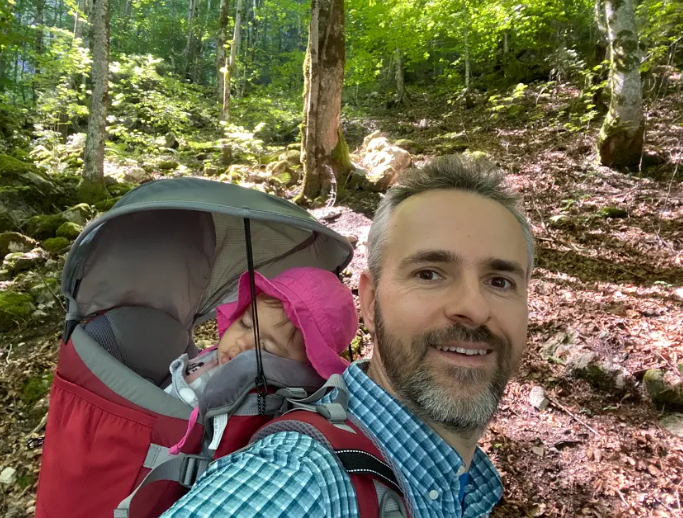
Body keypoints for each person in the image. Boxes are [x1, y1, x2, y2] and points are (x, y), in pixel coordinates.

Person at [160, 154, 534, 518]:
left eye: (500, 281)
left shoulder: (468, 482)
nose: (474, 306)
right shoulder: (299, 481)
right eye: (429, 273)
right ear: (370, 303)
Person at [165, 266, 358, 408]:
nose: (242, 342)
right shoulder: (217, 356)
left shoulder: (256, 405)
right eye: (245, 324)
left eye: (265, 349)